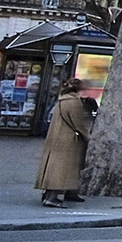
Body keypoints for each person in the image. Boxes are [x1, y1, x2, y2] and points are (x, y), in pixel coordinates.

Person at [35, 77, 93, 207]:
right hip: (68, 140)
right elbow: (78, 123)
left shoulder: (62, 100)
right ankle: (52, 197)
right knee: (62, 169)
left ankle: (53, 194)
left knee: (55, 167)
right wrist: (87, 136)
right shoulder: (74, 102)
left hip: (55, 138)